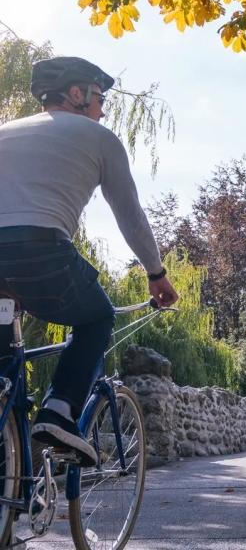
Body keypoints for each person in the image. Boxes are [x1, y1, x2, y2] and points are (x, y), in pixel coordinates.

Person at [0, 56, 178, 466]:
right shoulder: (100, 139)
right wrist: (156, 274)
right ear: (76, 94)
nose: (102, 109)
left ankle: (10, 489)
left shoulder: (6, 130)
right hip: (41, 250)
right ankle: (59, 410)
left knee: (5, 364)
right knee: (96, 315)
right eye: (99, 98)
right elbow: (129, 214)